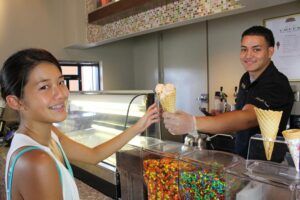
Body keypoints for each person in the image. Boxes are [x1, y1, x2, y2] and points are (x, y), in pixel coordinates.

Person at [2, 48, 159, 200]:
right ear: (15, 102)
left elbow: (94, 156)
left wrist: (139, 125)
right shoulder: (36, 161)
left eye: (61, 82)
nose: (62, 94)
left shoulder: (50, 135)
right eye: (44, 87)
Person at [163, 25, 294, 158]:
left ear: (270, 51)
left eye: (256, 49)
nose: (248, 55)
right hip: (242, 157)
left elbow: (248, 118)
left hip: (266, 164)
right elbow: (242, 111)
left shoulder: (277, 83)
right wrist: (221, 117)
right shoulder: (246, 78)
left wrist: (192, 122)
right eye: (244, 49)